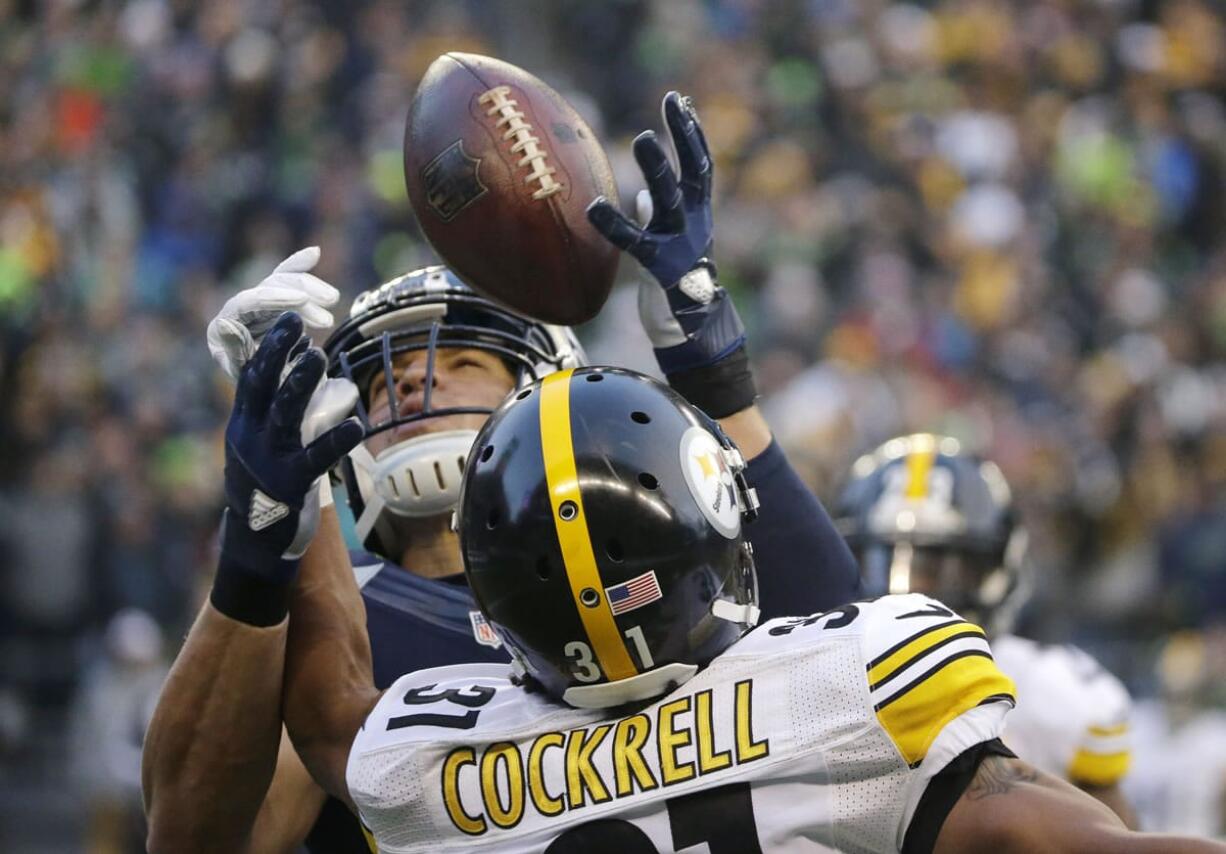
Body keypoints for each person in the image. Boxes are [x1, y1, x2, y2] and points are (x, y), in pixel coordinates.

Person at [143, 91, 862, 853]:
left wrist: (719, 381)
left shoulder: (657, 557)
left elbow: (837, 644)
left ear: (550, 390)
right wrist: (258, 555)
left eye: (461, 364)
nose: (416, 386)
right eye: (386, 383)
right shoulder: (332, 617)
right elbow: (197, 840)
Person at [199, 321, 1226, 852]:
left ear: (493, 605)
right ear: (718, 536)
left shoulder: (428, 758)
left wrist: (296, 504)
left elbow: (331, 702)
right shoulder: (843, 685)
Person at [835, 432, 1137, 825]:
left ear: (996, 569)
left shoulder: (1056, 697)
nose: (905, 593)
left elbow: (1119, 836)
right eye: (879, 562)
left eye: (936, 569)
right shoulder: (806, 684)